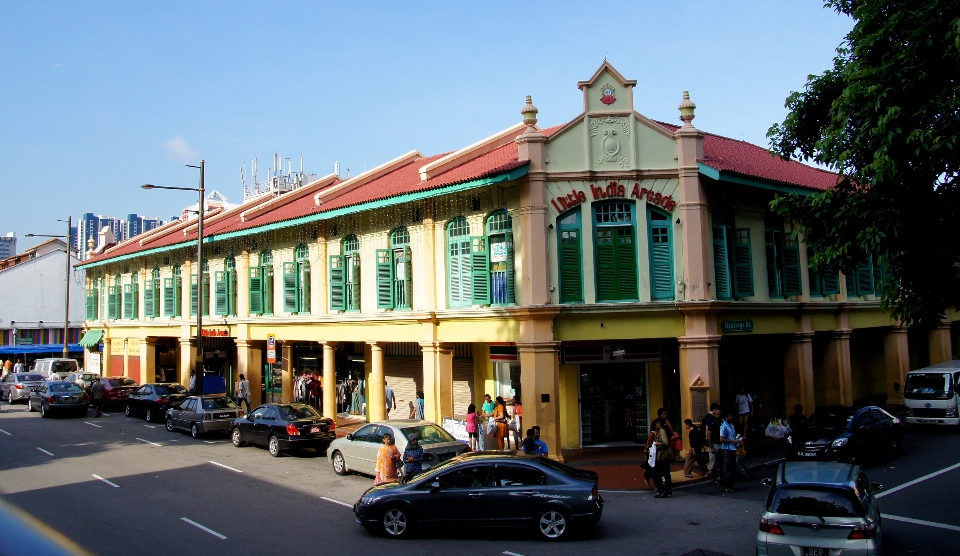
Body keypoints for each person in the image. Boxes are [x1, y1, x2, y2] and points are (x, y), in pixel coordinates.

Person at [719, 411, 743, 493]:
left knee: (732, 468)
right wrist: (733, 440)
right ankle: (725, 485)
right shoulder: (724, 426)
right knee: (727, 468)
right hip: (727, 449)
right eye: (729, 416)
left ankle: (730, 485)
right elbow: (721, 439)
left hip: (733, 448)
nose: (731, 417)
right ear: (725, 417)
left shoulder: (731, 425)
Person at [704, 404, 723, 482]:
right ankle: (711, 473)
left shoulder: (721, 422)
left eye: (719, 414)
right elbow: (708, 434)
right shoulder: (712, 422)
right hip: (715, 444)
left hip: (721, 444)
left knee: (720, 461)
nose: (718, 416)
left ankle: (718, 476)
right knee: (713, 460)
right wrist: (711, 446)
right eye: (716, 414)